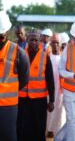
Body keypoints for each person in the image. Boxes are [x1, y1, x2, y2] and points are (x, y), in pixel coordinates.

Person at [17, 29, 55, 141]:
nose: (33, 42)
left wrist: (51, 100)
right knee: (23, 127)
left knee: (39, 127)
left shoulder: (45, 57)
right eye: (31, 40)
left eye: (36, 40)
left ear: (40, 41)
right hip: (23, 99)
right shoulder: (20, 55)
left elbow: (50, 80)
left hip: (39, 100)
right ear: (27, 40)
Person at [0, 11, 29, 141]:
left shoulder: (18, 53)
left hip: (8, 106)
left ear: (6, 32)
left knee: (8, 137)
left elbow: (23, 79)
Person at [46, 33, 66, 138]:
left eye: (57, 43)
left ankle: (58, 132)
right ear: (50, 43)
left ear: (60, 44)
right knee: (49, 112)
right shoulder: (46, 56)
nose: (55, 45)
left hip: (61, 91)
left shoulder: (64, 58)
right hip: (48, 91)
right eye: (53, 42)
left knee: (60, 112)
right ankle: (48, 130)